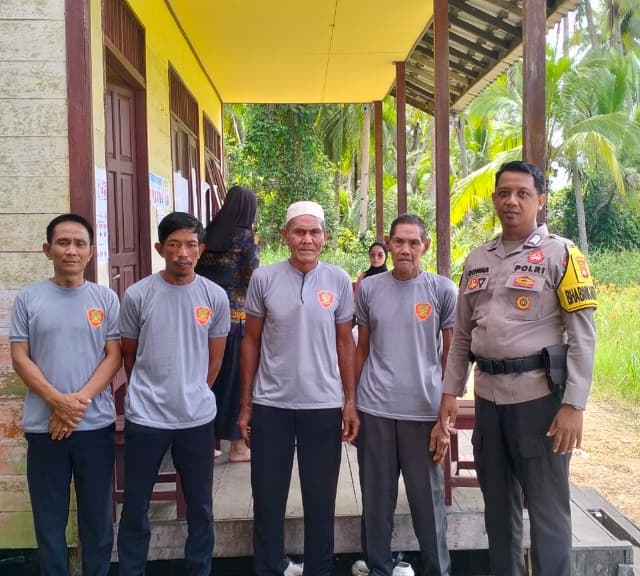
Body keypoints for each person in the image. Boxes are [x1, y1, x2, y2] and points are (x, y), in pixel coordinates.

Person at [437, 161, 597, 576]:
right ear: (494, 199)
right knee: (497, 511)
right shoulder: (477, 258)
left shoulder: (561, 255)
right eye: (504, 193)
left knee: (547, 512)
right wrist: (450, 392)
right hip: (489, 402)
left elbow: (583, 336)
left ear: (540, 201)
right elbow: (462, 337)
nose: (512, 201)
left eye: (522, 193)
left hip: (539, 403)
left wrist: (574, 405)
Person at [238, 200, 358, 576]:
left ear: (324, 237)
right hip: (271, 404)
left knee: (320, 499)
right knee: (267, 497)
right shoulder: (264, 278)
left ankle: (318, 569)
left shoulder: (338, 280)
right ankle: (268, 568)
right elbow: (250, 341)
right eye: (299, 232)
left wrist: (350, 401)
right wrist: (246, 404)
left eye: (314, 232)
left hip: (322, 405)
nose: (307, 239)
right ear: (285, 236)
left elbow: (345, 343)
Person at [116, 212, 230, 576]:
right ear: (159, 248)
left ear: (201, 250)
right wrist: (150, 391)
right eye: (174, 245)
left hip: (196, 418)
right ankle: (132, 570)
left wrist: (193, 390)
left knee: (200, 507)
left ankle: (199, 569)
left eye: (191, 245)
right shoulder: (138, 295)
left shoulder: (214, 297)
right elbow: (130, 356)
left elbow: (215, 360)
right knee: (136, 505)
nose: (183, 253)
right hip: (146, 418)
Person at [10, 213, 122, 576]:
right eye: (62, 243)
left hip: (94, 426)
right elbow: (20, 357)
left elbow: (114, 356)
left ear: (91, 251)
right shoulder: (29, 298)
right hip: (45, 429)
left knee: (98, 520)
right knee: (49, 520)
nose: (71, 250)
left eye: (79, 244)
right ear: (48, 250)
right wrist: (57, 402)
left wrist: (75, 405)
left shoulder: (105, 299)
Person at [353, 214, 457, 576]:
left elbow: (452, 355)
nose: (406, 249)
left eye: (414, 243)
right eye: (399, 242)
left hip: (423, 412)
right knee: (376, 500)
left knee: (428, 503)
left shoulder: (442, 290)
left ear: (424, 246)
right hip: (375, 409)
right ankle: (379, 568)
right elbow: (362, 348)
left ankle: (437, 570)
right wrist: (350, 402)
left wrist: (444, 417)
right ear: (389, 244)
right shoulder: (369, 288)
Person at [196, 186, 261, 462]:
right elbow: (252, 279)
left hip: (204, 318)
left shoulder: (207, 233)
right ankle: (237, 446)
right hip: (236, 320)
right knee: (236, 381)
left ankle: (208, 442)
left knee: (210, 379)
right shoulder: (247, 238)